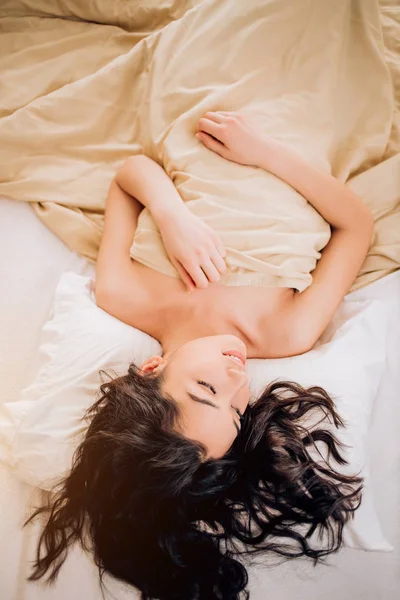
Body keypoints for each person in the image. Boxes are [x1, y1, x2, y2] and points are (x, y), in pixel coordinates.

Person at [25, 111, 372, 599]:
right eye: (237, 410)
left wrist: (171, 215)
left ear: (152, 367)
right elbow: (356, 226)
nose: (237, 379)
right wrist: (266, 152)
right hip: (288, 129)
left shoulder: (121, 295)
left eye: (206, 389)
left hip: (197, 116)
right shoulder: (285, 331)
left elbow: (131, 173)